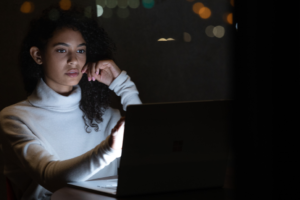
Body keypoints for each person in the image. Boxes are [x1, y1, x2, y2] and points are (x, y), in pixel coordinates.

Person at [0, 6, 141, 200]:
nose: (74, 60)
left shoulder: (108, 115)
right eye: (61, 50)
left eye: (80, 50)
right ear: (37, 55)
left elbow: (148, 151)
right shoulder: (14, 117)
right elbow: (49, 176)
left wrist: (123, 86)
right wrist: (110, 149)